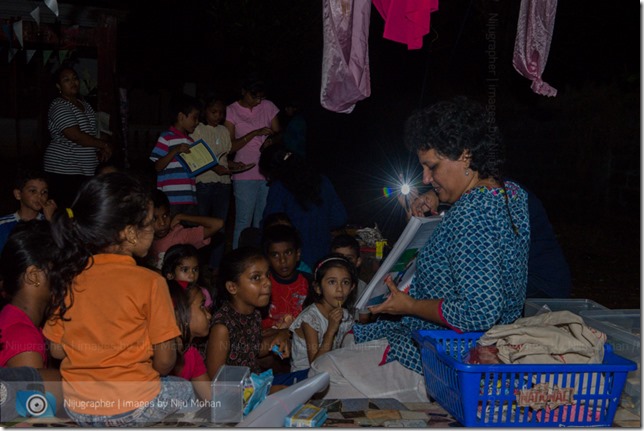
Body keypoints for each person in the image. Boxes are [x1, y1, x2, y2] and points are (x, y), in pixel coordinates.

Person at [309, 96, 531, 402]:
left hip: (450, 359)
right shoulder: (511, 194)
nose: (426, 178)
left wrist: (408, 306)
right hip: (480, 347)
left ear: (465, 155)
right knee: (351, 339)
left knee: (322, 374)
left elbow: (478, 312)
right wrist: (439, 199)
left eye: (432, 167)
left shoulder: (472, 213)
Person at [42, 172, 196, 426]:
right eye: (149, 223)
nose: (155, 229)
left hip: (78, 406)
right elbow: (166, 360)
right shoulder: (150, 282)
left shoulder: (68, 276)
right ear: (130, 233)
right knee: (185, 391)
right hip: (133, 406)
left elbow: (57, 350)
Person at [407, 185, 571, 299]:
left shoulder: (490, 202)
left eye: (433, 167)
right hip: (514, 290)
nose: (426, 178)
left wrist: (412, 306)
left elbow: (479, 295)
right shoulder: (474, 198)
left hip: (540, 293)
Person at [205, 247, 290, 379]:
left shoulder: (254, 313)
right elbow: (215, 378)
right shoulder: (222, 327)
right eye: (256, 277)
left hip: (254, 385)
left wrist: (282, 334)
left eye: (267, 275)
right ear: (233, 287)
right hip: (235, 393)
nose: (267, 282)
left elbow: (251, 350)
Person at [260, 145, 348, 268]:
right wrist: (319, 223)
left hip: (293, 260)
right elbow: (340, 218)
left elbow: (271, 223)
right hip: (322, 257)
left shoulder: (279, 187)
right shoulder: (322, 181)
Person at [43, 66, 112, 208]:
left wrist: (101, 147)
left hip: (86, 169)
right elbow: (75, 135)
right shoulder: (59, 105)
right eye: (66, 80)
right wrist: (103, 145)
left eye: (75, 78)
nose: (72, 82)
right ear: (58, 86)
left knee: (82, 211)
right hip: (63, 169)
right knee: (66, 211)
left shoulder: (85, 105)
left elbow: (93, 133)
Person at [225, 75, 281, 249]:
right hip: (244, 172)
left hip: (266, 172)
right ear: (244, 92)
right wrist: (254, 133)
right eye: (254, 96)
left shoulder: (269, 106)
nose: (257, 101)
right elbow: (230, 146)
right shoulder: (231, 110)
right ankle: (238, 262)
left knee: (261, 220)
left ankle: (258, 260)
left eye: (260, 97)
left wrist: (271, 140)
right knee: (243, 221)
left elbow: (278, 134)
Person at [189, 97, 237, 277]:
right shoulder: (198, 130)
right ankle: (198, 264)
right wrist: (216, 167)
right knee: (201, 224)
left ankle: (215, 266)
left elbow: (224, 156)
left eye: (221, 113)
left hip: (223, 183)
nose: (217, 116)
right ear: (205, 111)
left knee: (220, 226)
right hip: (204, 181)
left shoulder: (224, 130)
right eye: (213, 112)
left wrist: (232, 165)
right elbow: (197, 156)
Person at [0, 220, 58, 368]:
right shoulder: (24, 339)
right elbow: (32, 391)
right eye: (58, 269)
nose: (65, 277)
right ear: (33, 276)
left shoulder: (11, 319)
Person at [289, 255, 356, 373]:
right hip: (304, 377)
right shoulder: (310, 319)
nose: (340, 289)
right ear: (318, 288)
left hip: (330, 370)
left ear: (351, 288)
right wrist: (330, 331)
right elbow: (316, 365)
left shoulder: (345, 316)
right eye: (332, 282)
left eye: (345, 282)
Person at [149, 94, 202, 214]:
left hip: (189, 197)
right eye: (195, 118)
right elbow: (157, 166)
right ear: (181, 116)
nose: (197, 122)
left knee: (188, 231)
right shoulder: (166, 137)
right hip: (170, 198)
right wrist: (175, 150)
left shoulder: (191, 141)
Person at [148, 189, 224, 271]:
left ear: (170, 213)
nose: (162, 223)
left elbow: (218, 224)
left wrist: (182, 216)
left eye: (165, 216)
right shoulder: (142, 239)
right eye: (154, 219)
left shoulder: (180, 235)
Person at [167, 279, 212, 401]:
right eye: (202, 306)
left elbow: (211, 399)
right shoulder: (159, 356)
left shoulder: (191, 354)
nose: (209, 315)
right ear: (180, 313)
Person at [260, 224, 310, 331]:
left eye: (288, 253)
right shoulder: (262, 285)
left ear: (297, 254)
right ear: (267, 258)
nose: (282, 261)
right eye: (275, 255)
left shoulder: (309, 283)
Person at [0, 170, 57, 254]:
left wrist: (53, 220)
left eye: (44, 192)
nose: (40, 196)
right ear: (18, 194)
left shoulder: (49, 222)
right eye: (33, 191)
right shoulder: (3, 224)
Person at [161, 244, 214, 310]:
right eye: (185, 270)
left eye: (195, 269)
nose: (192, 275)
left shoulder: (203, 293)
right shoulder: (164, 293)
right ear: (170, 275)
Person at [330, 234, 368, 308]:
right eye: (339, 257)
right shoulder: (326, 285)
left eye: (349, 258)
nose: (344, 262)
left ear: (358, 262)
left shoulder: (362, 288)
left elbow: (363, 318)